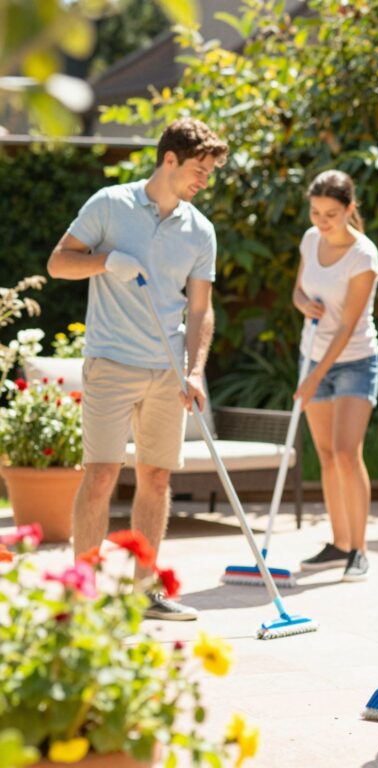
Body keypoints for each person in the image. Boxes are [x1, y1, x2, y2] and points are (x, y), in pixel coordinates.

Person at [47, 117, 228, 620]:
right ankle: (81, 597)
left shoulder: (200, 230)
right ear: (169, 159)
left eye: (209, 173)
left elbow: (201, 310)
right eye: (198, 169)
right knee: (102, 474)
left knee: (156, 478)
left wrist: (194, 370)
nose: (204, 180)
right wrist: (106, 260)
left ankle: (144, 593)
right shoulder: (110, 204)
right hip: (111, 361)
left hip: (167, 370)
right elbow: (58, 263)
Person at [292, 170, 378, 582]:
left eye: (330, 213)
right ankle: (339, 543)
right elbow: (298, 290)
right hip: (313, 355)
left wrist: (314, 378)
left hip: (355, 361)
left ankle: (359, 550)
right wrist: (303, 304)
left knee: (347, 453)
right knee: (327, 456)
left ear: (349, 209)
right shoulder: (310, 240)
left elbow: (348, 325)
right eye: (315, 212)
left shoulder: (363, 256)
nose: (321, 221)